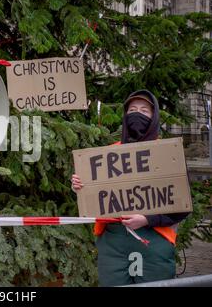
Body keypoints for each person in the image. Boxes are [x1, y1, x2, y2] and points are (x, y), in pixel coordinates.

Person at [71, 89, 189, 286]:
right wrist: (81, 187)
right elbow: (95, 197)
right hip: (112, 241)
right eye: (132, 109)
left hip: (155, 239)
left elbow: (182, 206)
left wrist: (146, 219)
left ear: (154, 116)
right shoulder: (107, 155)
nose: (137, 114)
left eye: (144, 110)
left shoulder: (168, 154)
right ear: (125, 115)